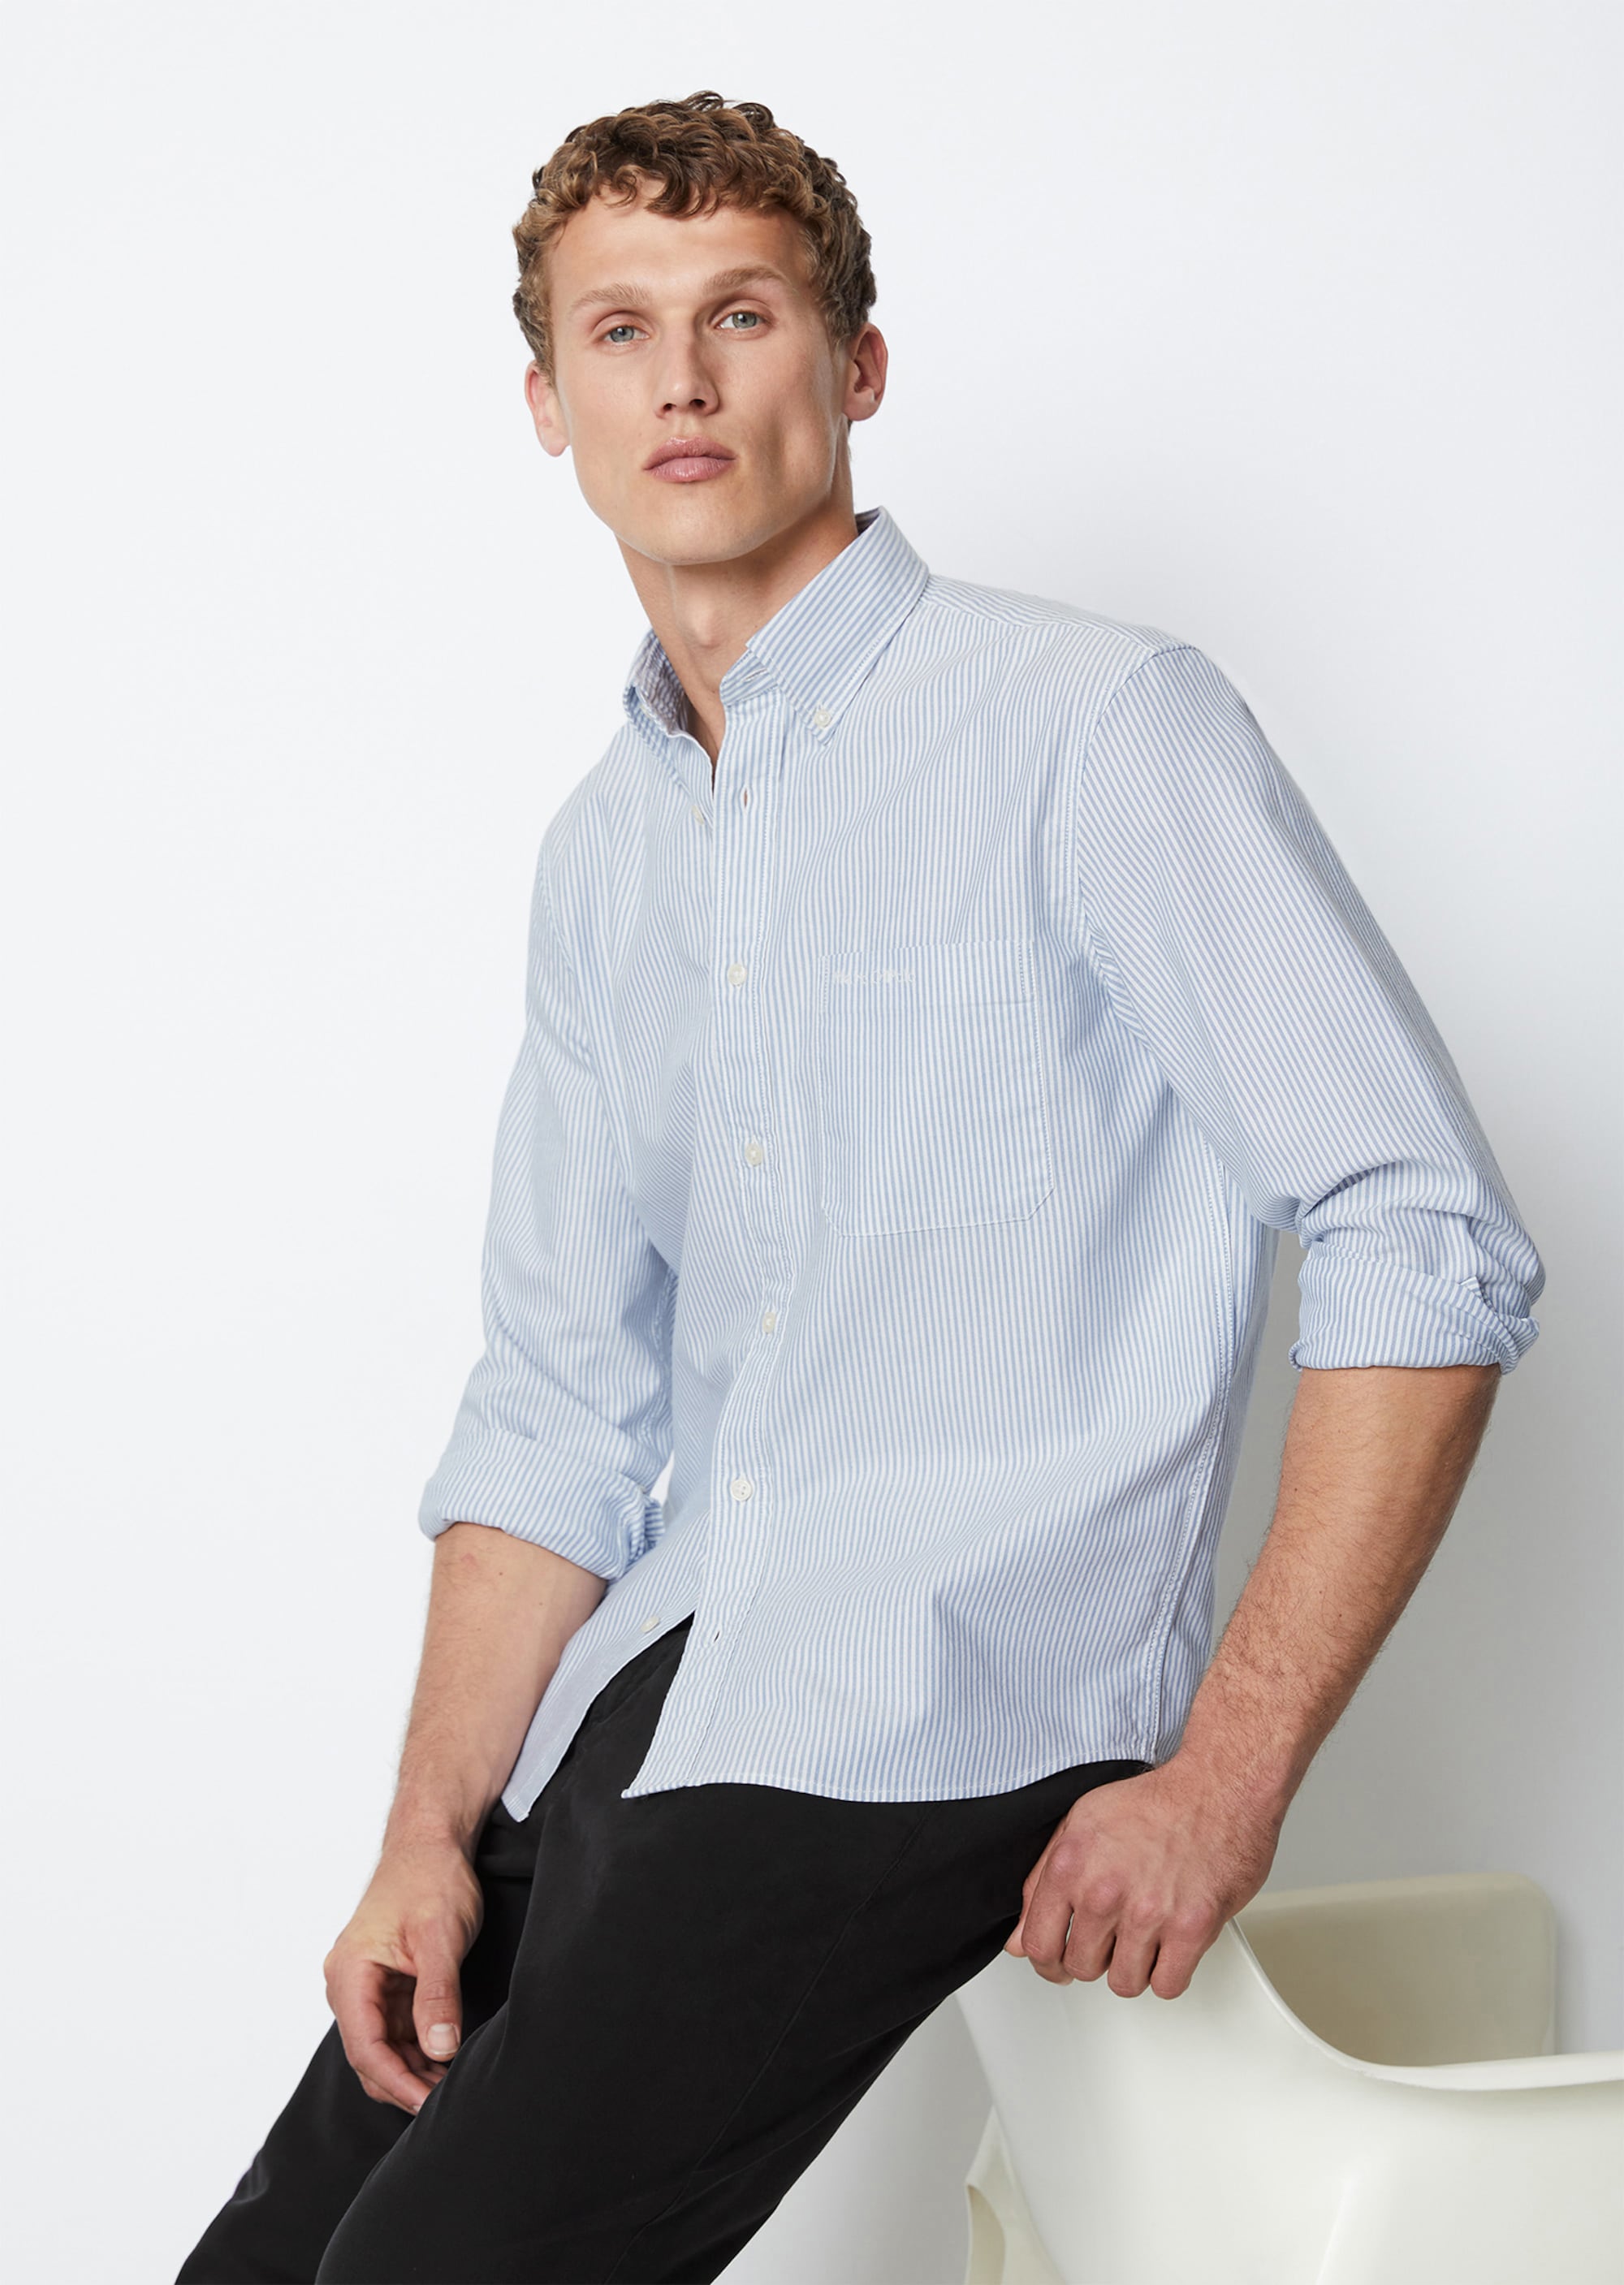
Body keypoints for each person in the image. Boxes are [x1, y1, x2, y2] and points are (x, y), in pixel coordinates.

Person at [175, 88, 1544, 2285]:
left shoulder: (1098, 728)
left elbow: (1425, 1230)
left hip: (950, 1705)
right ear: (548, 404)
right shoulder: (606, 851)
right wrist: (428, 1832)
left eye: (743, 313)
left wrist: (1223, 1778)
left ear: (858, 363)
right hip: (665, 1680)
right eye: (621, 330)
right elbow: (556, 1404)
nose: (684, 380)